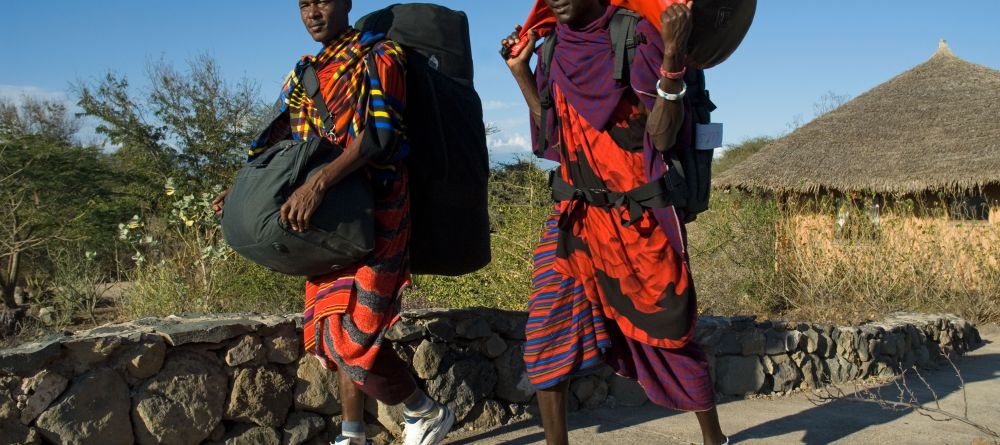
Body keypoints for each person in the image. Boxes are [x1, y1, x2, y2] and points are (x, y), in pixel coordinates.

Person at [214, 1, 453, 444]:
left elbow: (380, 134)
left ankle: (426, 410)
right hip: (324, 216)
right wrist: (243, 189)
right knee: (329, 328)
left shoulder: (380, 57)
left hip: (378, 210)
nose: (312, 13)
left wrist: (320, 182)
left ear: (345, 4)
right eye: (304, 5)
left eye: (322, 1)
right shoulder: (305, 74)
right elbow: (280, 144)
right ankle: (352, 434)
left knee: (355, 334)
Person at [501, 1, 728, 444]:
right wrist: (521, 72)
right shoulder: (551, 50)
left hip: (636, 221)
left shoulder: (636, 37)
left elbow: (661, 137)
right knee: (546, 335)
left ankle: (714, 438)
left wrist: (673, 57)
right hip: (574, 219)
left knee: (668, 337)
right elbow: (551, 135)